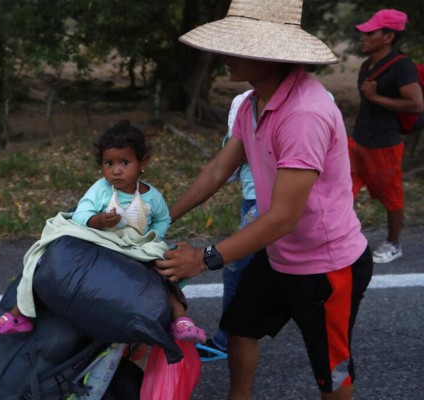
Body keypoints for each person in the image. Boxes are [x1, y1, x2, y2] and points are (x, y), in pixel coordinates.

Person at [154, 1, 373, 399]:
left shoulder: (304, 113)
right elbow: (219, 170)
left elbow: (284, 216)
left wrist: (203, 258)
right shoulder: (254, 101)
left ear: (273, 55)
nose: (224, 56)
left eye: (238, 46)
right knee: (239, 329)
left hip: (326, 267)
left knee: (332, 370)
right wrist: (162, 218)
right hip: (278, 255)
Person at [0, 121, 206, 344]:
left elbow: (163, 218)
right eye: (109, 164)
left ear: (142, 162)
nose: (116, 171)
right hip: (101, 238)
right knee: (44, 259)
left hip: (136, 243)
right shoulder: (100, 189)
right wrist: (98, 220)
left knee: (163, 269)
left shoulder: (151, 196)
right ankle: (18, 315)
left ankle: (181, 319)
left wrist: (152, 236)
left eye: (125, 162)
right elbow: (80, 214)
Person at [350, 9, 424, 264]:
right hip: (357, 141)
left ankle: (393, 244)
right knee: (340, 191)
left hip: (384, 145)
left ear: (388, 36)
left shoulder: (402, 66)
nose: (363, 37)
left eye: (371, 33)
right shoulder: (366, 64)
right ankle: (340, 239)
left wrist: (376, 97)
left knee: (392, 198)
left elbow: (416, 105)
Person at [197, 89, 258, 362]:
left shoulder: (243, 102)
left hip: (261, 202)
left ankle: (225, 341)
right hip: (264, 202)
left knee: (237, 267)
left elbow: (227, 169)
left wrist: (203, 259)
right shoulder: (321, 97)